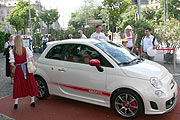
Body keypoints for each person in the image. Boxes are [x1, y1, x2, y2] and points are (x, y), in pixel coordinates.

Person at [9, 35, 39, 109]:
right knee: (30, 83)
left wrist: (14, 67)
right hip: (26, 69)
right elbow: (31, 59)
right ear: (22, 41)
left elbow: (12, 64)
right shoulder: (26, 49)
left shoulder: (12, 51)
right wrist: (35, 65)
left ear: (15, 42)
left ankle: (16, 103)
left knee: (18, 85)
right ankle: (32, 101)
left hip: (19, 70)